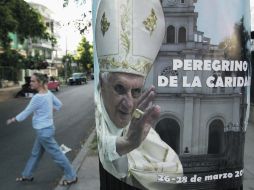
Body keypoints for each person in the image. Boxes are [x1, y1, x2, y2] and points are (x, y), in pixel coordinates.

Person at [94, 0, 183, 189]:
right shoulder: (99, 110)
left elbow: (174, 169)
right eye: (119, 88)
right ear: (102, 84)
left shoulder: (139, 125)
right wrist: (125, 143)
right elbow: (104, 145)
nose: (128, 104)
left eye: (136, 91)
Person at [6, 73, 77, 186]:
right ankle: (27, 175)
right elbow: (59, 105)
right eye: (31, 81)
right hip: (46, 129)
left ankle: (71, 176)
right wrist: (49, 111)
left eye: (33, 81)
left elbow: (26, 112)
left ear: (40, 83)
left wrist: (14, 119)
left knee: (57, 154)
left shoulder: (37, 98)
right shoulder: (48, 93)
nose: (31, 83)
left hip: (44, 132)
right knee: (35, 153)